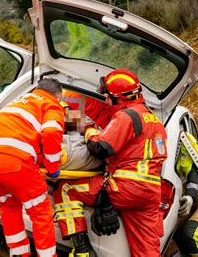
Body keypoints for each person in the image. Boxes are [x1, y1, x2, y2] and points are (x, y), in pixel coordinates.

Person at [52, 69, 168, 257]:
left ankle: (82, 250)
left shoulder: (127, 116)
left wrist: (88, 129)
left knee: (65, 189)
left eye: (107, 97)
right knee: (147, 252)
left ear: (119, 98)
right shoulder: (155, 121)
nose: (105, 101)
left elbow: (100, 147)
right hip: (150, 193)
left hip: (126, 186)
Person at [0, 78, 65, 257]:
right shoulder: (51, 105)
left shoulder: (18, 102)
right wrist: (53, 167)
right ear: (58, 96)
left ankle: (19, 254)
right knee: (41, 213)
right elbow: (52, 132)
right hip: (14, 163)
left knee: (9, 208)